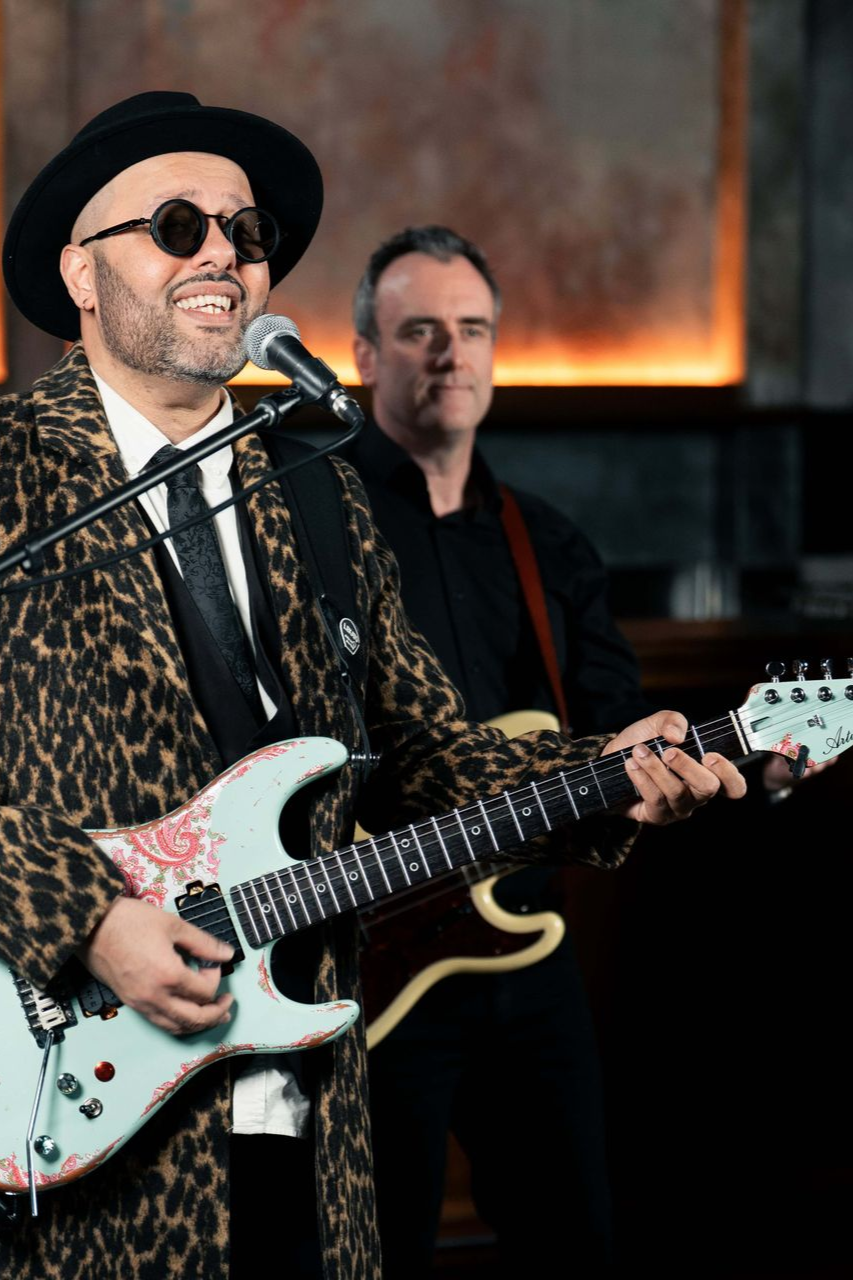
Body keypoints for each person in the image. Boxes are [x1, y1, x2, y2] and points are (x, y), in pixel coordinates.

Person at [0, 97, 744, 1280]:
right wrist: (84, 919)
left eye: (244, 231)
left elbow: (422, 757)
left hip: (292, 1102)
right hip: (48, 1095)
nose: (223, 255)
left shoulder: (317, 489)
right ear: (81, 273)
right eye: (178, 224)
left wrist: (602, 774)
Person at [344, 225, 654, 1276]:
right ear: (363, 355)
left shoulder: (547, 539)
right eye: (419, 329)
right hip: (371, 955)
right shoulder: (315, 524)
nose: (449, 353)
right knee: (378, 1252)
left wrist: (749, 759)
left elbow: (618, 731)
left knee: (576, 1244)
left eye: (471, 328)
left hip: (525, 945)